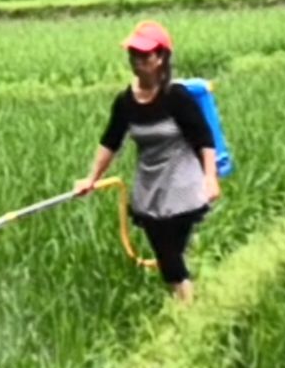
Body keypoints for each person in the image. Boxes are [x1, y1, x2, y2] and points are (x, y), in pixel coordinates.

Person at [74, 20, 220, 303]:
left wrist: (210, 177)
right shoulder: (125, 102)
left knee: (169, 253)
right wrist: (90, 178)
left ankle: (189, 311)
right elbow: (110, 142)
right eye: (133, 56)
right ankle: (187, 300)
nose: (137, 62)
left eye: (144, 56)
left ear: (161, 58)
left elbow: (204, 140)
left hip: (183, 187)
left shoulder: (177, 98)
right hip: (149, 189)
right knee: (167, 253)